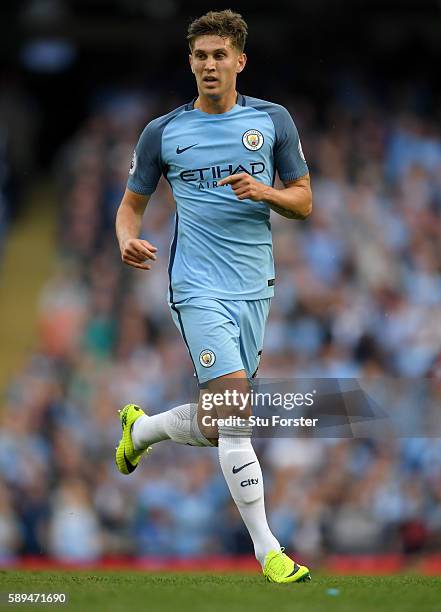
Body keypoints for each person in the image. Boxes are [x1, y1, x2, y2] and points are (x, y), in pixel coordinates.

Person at [115, 9, 312, 583]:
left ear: (239, 61)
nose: (208, 64)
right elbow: (132, 203)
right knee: (236, 412)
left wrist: (265, 192)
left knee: (219, 418)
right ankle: (268, 551)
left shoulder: (273, 122)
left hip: (256, 287)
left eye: (218, 54)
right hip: (196, 287)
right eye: (199, 55)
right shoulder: (163, 132)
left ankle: (143, 430)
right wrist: (128, 238)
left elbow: (304, 201)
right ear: (190, 62)